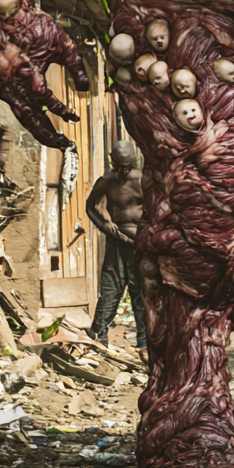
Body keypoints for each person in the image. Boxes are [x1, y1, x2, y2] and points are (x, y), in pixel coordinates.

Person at [87, 140, 147, 361]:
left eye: (128, 167)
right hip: (116, 244)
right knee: (110, 292)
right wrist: (104, 225)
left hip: (141, 247)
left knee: (141, 294)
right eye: (120, 167)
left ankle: (144, 344)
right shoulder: (106, 181)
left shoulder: (143, 179)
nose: (124, 172)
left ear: (135, 161)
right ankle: (98, 339)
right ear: (112, 160)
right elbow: (89, 206)